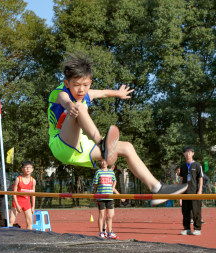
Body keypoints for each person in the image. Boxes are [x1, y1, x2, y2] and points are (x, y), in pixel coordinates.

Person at [47, 53, 187, 206]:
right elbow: (64, 100)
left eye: (85, 85)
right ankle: (101, 143)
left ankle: (157, 188)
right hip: (61, 144)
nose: (81, 90)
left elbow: (103, 92)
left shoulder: (86, 93)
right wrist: (70, 107)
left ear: (90, 83)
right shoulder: (60, 93)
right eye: (76, 85)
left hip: (81, 146)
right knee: (79, 107)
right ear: (67, 83)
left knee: (127, 147)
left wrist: (118, 93)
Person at [179, 146, 203, 236]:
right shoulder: (182, 166)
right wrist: (180, 192)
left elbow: (200, 178)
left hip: (194, 192)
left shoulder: (197, 165)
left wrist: (199, 190)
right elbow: (181, 180)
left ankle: (197, 229)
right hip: (185, 193)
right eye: (186, 153)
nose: (188, 154)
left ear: (193, 153)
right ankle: (187, 229)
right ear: (183, 154)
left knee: (196, 211)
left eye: (189, 152)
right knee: (185, 212)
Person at [93, 160, 118, 239]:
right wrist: (97, 192)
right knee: (101, 215)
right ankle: (101, 232)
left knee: (110, 216)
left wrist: (113, 187)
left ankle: (109, 232)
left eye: (105, 161)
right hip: (101, 197)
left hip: (109, 197)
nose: (103, 163)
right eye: (102, 161)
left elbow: (115, 180)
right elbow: (95, 184)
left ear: (108, 163)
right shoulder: (98, 172)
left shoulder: (111, 172)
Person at [9, 161, 36, 229]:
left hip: (27, 202)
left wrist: (33, 206)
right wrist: (17, 205)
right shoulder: (18, 179)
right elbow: (13, 193)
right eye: (25, 167)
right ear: (22, 169)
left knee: (29, 222)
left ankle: (28, 236)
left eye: (29, 168)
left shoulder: (33, 181)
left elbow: (33, 194)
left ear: (32, 169)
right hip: (17, 201)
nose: (27, 169)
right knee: (11, 221)